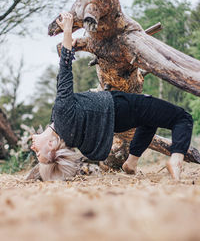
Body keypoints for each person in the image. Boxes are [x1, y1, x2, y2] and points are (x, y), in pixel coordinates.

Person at [31, 12, 193, 181]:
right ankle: (176, 160)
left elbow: (63, 86)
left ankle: (130, 164)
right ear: (51, 144)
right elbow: (64, 74)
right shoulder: (62, 116)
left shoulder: (65, 134)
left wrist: (69, 47)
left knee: (149, 120)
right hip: (120, 107)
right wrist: (67, 31)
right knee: (182, 118)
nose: (32, 147)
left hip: (117, 122)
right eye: (38, 152)